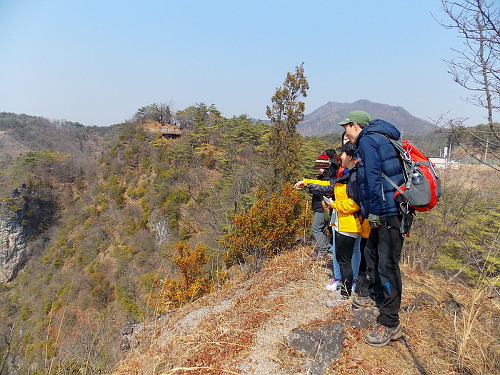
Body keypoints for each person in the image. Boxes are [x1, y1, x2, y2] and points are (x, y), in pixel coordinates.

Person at [338, 110, 405, 347]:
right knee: (372, 254)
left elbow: (373, 176)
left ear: (355, 125)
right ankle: (377, 297)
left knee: (387, 263)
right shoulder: (379, 138)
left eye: (346, 127)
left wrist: (374, 211)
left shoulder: (368, 139)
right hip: (387, 208)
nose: (344, 132)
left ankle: (390, 323)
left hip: (388, 211)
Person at [300, 152, 332, 260]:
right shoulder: (324, 177)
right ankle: (322, 249)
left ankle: (323, 250)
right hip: (322, 207)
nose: (318, 169)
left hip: (323, 207)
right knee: (322, 229)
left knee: (316, 228)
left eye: (319, 167)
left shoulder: (326, 178)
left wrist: (309, 186)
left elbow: (323, 190)